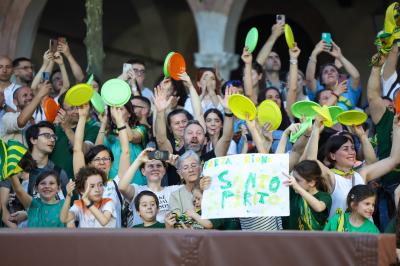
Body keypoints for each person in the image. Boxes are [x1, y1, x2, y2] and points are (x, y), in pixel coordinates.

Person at [302, 115, 400, 218]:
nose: (351, 152)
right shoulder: (330, 176)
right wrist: (316, 130)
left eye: (353, 148)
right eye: (345, 149)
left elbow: (394, 160)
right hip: (341, 234)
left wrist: (396, 127)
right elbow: (311, 161)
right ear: (333, 155)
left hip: (365, 232)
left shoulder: (361, 174)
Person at [73, 104, 131, 228]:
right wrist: (82, 117)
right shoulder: (83, 182)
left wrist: (119, 120)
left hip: (112, 243)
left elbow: (125, 151)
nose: (102, 162)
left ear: (111, 163)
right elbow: (77, 149)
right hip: (85, 243)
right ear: (89, 164)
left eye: (106, 159)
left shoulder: (117, 183)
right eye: (97, 159)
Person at [118, 148, 181, 226]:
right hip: (142, 236)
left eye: (158, 166)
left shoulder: (173, 190)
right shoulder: (138, 190)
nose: (155, 169)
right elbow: (122, 187)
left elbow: (194, 187)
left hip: (165, 236)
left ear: (164, 171)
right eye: (150, 166)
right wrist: (139, 160)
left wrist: (178, 164)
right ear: (143, 171)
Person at [51, 91, 99, 179]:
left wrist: (67, 129)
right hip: (54, 184)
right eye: (72, 108)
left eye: (79, 107)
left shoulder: (92, 128)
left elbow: (85, 151)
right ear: (61, 111)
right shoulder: (52, 130)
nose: (77, 111)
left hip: (79, 183)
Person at [96, 101, 147, 183]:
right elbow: (97, 150)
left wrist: (121, 121)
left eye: (119, 109)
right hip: (114, 181)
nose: (115, 113)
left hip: (136, 181)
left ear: (129, 113)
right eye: (112, 109)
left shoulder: (140, 129)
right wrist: (103, 124)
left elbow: (130, 137)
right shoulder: (109, 135)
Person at [306, 39, 361, 111]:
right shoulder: (319, 90)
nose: (329, 73)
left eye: (333, 70)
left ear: (338, 75)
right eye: (325, 72)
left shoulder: (347, 87)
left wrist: (340, 56)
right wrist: (314, 53)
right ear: (321, 79)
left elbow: (356, 76)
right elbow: (309, 79)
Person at [283, 160, 332, 230]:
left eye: (297, 180)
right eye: (293, 178)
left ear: (312, 183)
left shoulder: (324, 196)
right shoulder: (292, 191)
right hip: (289, 239)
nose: (293, 182)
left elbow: (319, 207)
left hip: (313, 240)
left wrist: (298, 187)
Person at [256, 22, 286, 98]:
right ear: (263, 65)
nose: (275, 59)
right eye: (270, 57)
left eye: (277, 57)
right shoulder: (259, 83)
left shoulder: (287, 85)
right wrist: (274, 35)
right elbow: (257, 64)